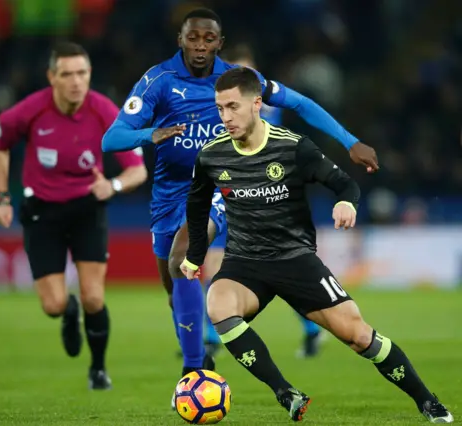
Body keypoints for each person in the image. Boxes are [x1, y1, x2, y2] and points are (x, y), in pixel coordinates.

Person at [102, 7, 379, 389]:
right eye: (193, 38)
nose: (201, 46)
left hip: (223, 186)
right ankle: (201, 341)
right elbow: (110, 139)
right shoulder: (158, 81)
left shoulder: (238, 81)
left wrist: (350, 142)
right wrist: (149, 134)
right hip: (169, 197)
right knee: (175, 286)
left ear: (220, 42)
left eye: (209, 39)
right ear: (180, 40)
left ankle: (194, 372)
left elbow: (299, 103)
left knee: (186, 257)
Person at [179, 67, 452, 424]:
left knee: (359, 336)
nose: (225, 117)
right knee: (218, 304)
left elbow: (345, 184)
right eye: (220, 108)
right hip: (245, 263)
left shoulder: (292, 147)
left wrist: (346, 202)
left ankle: (427, 401)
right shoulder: (212, 156)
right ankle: (284, 391)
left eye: (233, 106)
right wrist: (194, 257)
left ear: (257, 104)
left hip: (296, 261)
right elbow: (197, 210)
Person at [0, 42, 147, 390]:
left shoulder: (106, 112)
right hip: (42, 212)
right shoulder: (29, 111)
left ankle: (99, 369)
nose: (77, 81)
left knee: (94, 296)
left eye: (83, 73)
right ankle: (67, 311)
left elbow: (138, 170)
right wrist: (2, 198)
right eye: (68, 74)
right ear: (52, 77)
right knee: (53, 304)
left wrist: (114, 186)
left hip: (87, 209)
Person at [223, 44, 324, 358]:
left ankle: (311, 328)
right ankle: (213, 337)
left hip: (266, 196)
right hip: (229, 195)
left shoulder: (261, 107)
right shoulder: (226, 106)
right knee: (215, 265)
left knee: (277, 271)